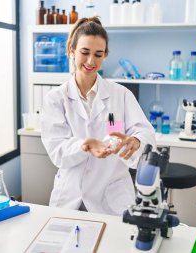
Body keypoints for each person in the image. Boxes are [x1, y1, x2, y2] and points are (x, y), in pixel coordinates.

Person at [41, 16, 156, 216]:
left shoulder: (120, 95)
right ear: (72, 51)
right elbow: (56, 150)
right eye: (84, 52)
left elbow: (145, 131)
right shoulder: (56, 98)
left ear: (105, 55)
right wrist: (84, 145)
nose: (90, 61)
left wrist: (136, 141)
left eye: (98, 54)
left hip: (112, 198)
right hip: (70, 196)